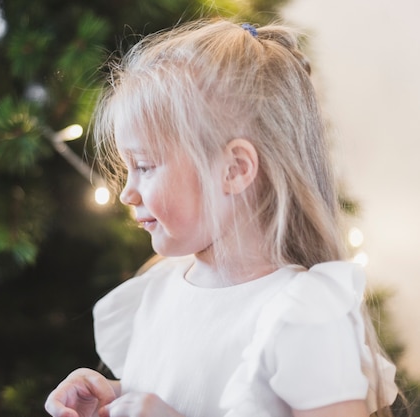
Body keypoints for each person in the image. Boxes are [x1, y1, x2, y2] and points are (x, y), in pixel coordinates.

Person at [44, 18, 400, 417]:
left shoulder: (303, 316)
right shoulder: (158, 288)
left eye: (143, 166)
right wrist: (114, 396)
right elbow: (185, 392)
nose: (127, 191)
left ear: (234, 169)